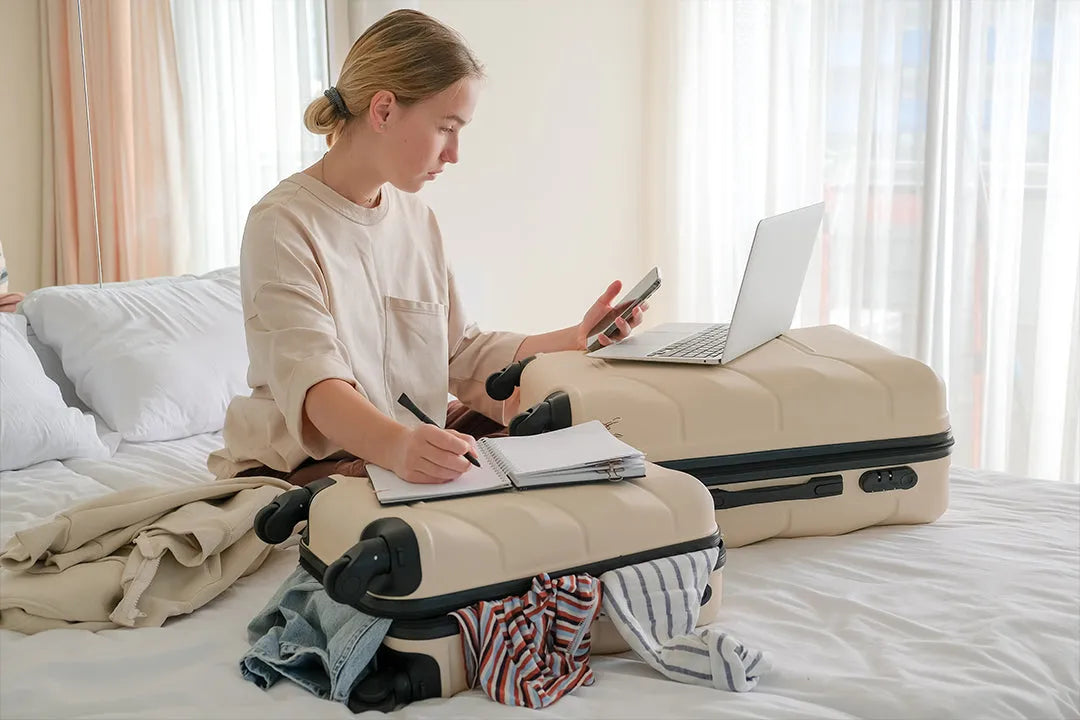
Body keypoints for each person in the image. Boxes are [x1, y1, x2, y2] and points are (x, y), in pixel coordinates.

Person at [208, 9, 646, 488]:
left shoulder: (417, 220)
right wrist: (397, 447)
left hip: (412, 437)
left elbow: (461, 352)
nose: (454, 153)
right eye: (446, 127)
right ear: (383, 110)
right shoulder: (282, 224)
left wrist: (575, 338)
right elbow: (316, 388)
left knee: (570, 445)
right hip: (314, 459)